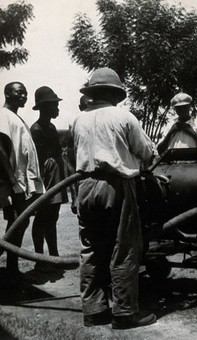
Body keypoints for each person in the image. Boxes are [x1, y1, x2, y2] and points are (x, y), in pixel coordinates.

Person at [72, 67, 156, 329]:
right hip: (116, 185)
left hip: (85, 185)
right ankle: (124, 313)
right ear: (113, 92)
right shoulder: (124, 117)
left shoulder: (77, 121)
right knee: (124, 247)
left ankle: (94, 311)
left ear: (93, 93)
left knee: (91, 249)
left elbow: (71, 155)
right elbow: (145, 151)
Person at [0, 82, 45, 277]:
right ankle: (11, 269)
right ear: (7, 94)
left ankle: (12, 267)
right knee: (17, 221)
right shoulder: (3, 116)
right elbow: (0, 149)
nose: (24, 96)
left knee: (19, 222)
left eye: (26, 93)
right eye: (19, 92)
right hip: (13, 181)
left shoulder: (15, 117)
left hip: (20, 180)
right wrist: (12, 180)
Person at [30, 87, 68, 270]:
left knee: (52, 217)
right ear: (45, 107)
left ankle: (53, 256)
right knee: (42, 218)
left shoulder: (51, 128)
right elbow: (39, 160)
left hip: (56, 176)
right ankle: (39, 259)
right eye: (55, 105)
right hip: (46, 178)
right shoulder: (37, 130)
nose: (58, 108)